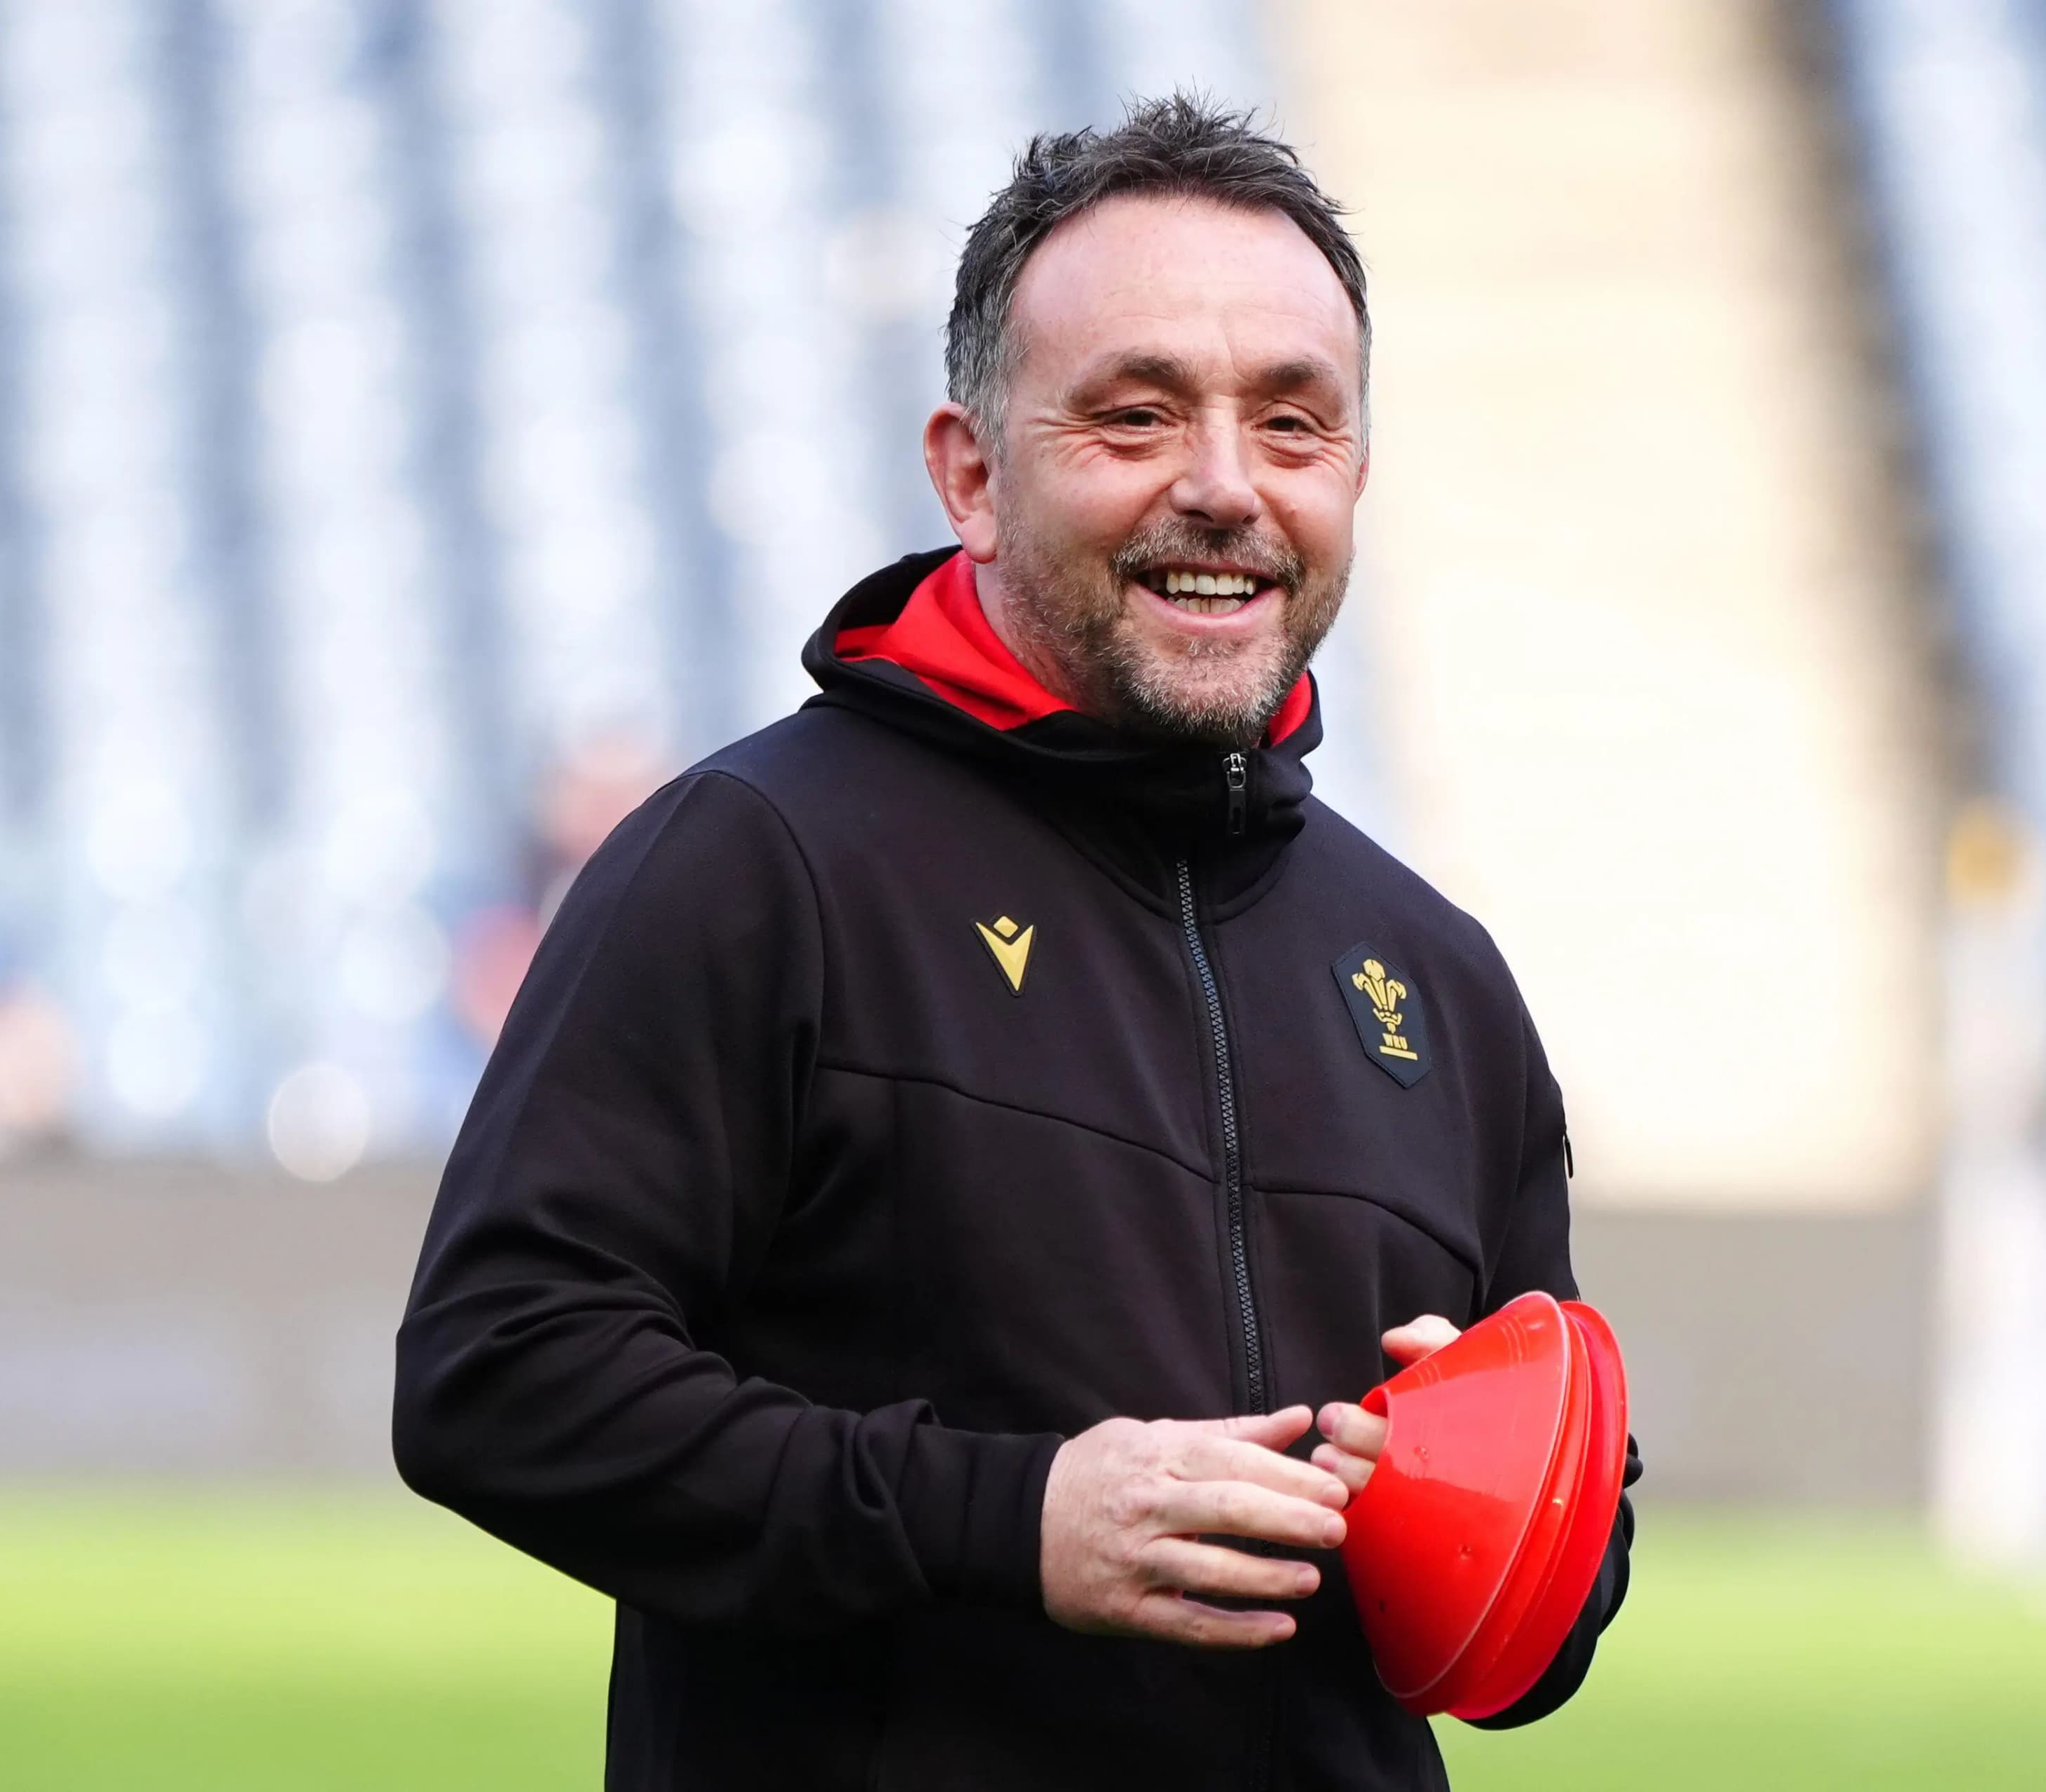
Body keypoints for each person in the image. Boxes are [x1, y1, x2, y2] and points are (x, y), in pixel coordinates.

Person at [394, 95, 1637, 1791]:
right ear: (971, 474)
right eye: (1135, 416)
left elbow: (1542, 1629)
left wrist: (1496, 1499)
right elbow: (499, 1376)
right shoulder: (755, 863)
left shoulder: (1433, 975)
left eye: (1294, 425)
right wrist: (1013, 1516)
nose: (1224, 486)